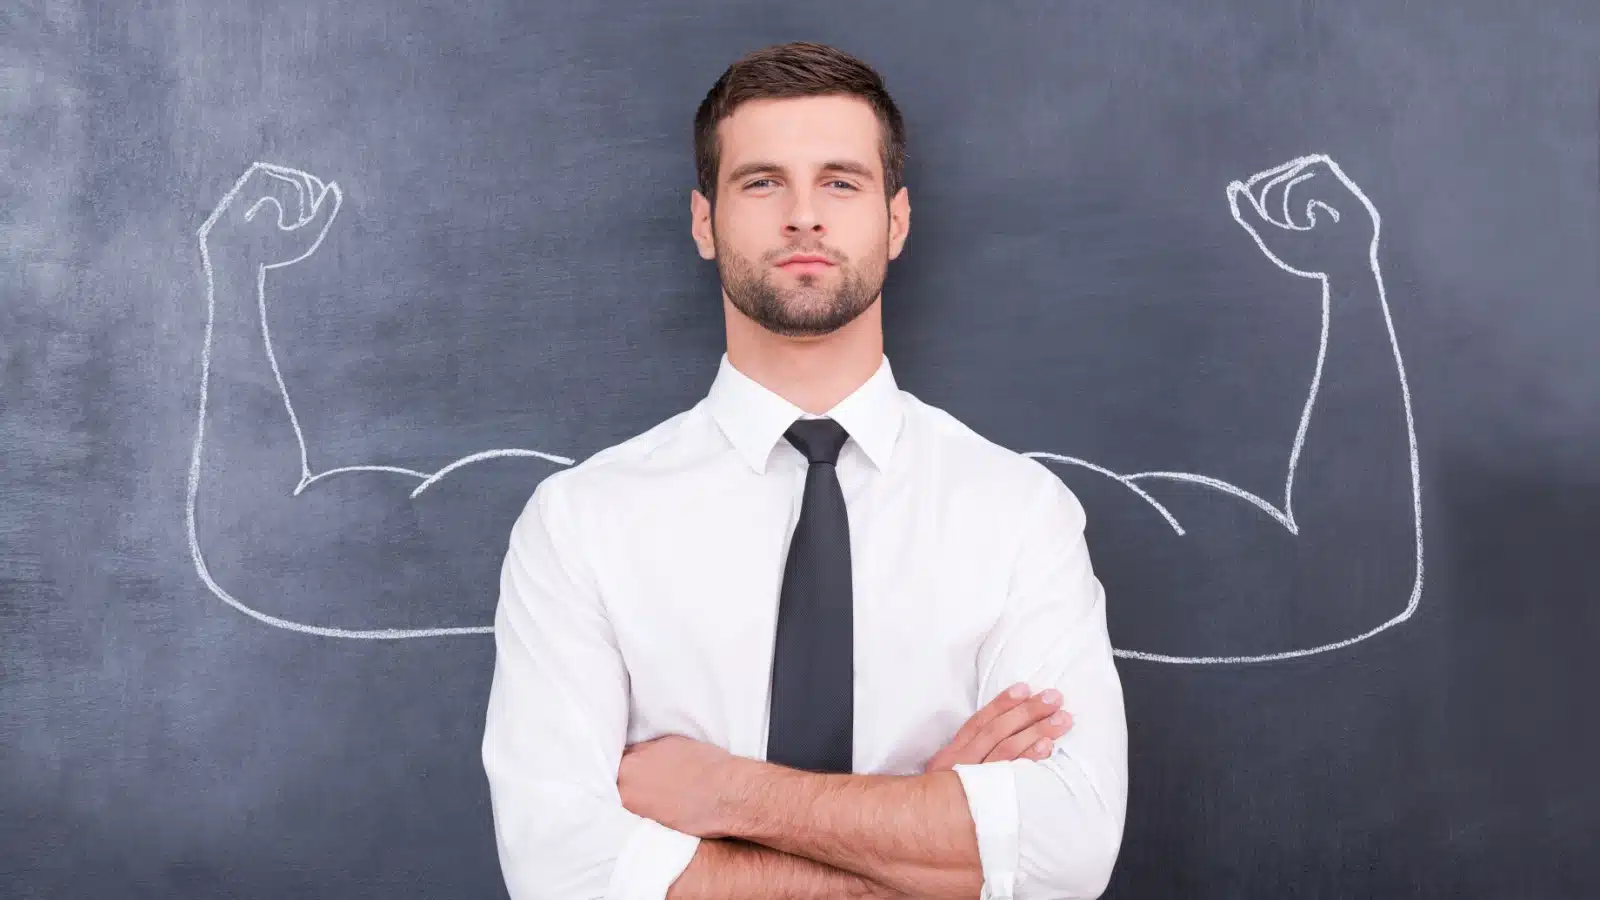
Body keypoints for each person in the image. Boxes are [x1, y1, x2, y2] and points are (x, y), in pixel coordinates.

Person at [480, 40, 1127, 900]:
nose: (803, 216)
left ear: (896, 220)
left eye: (840, 181)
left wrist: (725, 795)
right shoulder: (580, 521)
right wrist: (924, 824)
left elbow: (1069, 853)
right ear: (704, 223)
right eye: (760, 182)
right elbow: (559, 871)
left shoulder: (1019, 514)